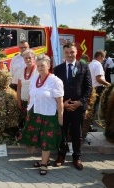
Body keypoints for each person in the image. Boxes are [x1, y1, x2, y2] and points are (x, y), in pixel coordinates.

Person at [19, 54, 63, 175]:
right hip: (36, 113)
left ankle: (44, 164)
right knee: (38, 137)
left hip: (49, 114)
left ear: (48, 66)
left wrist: (60, 117)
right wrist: (29, 109)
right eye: (38, 66)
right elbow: (31, 95)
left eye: (42, 65)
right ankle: (45, 160)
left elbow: (60, 101)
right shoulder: (35, 78)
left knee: (46, 139)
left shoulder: (55, 81)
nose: (40, 68)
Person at [53, 42, 92, 170]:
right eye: (67, 52)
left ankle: (77, 157)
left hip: (78, 107)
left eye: (72, 52)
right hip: (63, 107)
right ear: (64, 53)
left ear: (76, 52)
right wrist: (62, 103)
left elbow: (88, 88)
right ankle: (61, 155)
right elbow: (54, 88)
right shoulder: (57, 69)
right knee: (62, 132)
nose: (70, 55)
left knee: (77, 133)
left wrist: (80, 102)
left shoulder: (84, 67)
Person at [16, 49, 38, 146]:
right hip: (23, 101)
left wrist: (31, 100)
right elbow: (19, 87)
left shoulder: (38, 70)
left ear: (34, 59)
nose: (28, 60)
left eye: (30, 58)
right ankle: (26, 140)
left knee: (32, 122)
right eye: (26, 58)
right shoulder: (21, 71)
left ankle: (33, 141)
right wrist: (18, 101)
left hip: (34, 102)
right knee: (25, 121)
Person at [89, 50, 111, 124]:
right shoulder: (98, 64)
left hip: (92, 88)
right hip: (98, 88)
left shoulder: (90, 64)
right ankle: (90, 125)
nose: (104, 59)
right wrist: (109, 84)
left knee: (91, 107)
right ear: (100, 56)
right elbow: (98, 79)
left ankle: (89, 124)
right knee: (94, 107)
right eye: (103, 57)